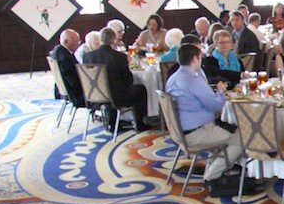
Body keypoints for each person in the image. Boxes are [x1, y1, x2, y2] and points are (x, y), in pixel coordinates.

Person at [165, 44, 243, 184]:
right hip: (197, 133)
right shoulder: (193, 80)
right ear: (195, 58)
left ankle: (212, 168)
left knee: (225, 129)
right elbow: (215, 104)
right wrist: (221, 90)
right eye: (200, 58)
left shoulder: (173, 78)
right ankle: (212, 175)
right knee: (243, 138)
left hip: (179, 132)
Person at [83, 26, 149, 132]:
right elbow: (128, 80)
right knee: (141, 89)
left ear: (100, 39)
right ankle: (140, 124)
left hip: (95, 95)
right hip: (116, 97)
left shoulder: (87, 56)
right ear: (114, 40)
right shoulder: (119, 57)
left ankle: (113, 122)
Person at [51, 28, 84, 108]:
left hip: (63, 91)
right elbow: (74, 78)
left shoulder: (57, 51)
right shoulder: (65, 57)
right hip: (75, 94)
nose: (78, 45)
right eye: (76, 42)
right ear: (66, 42)